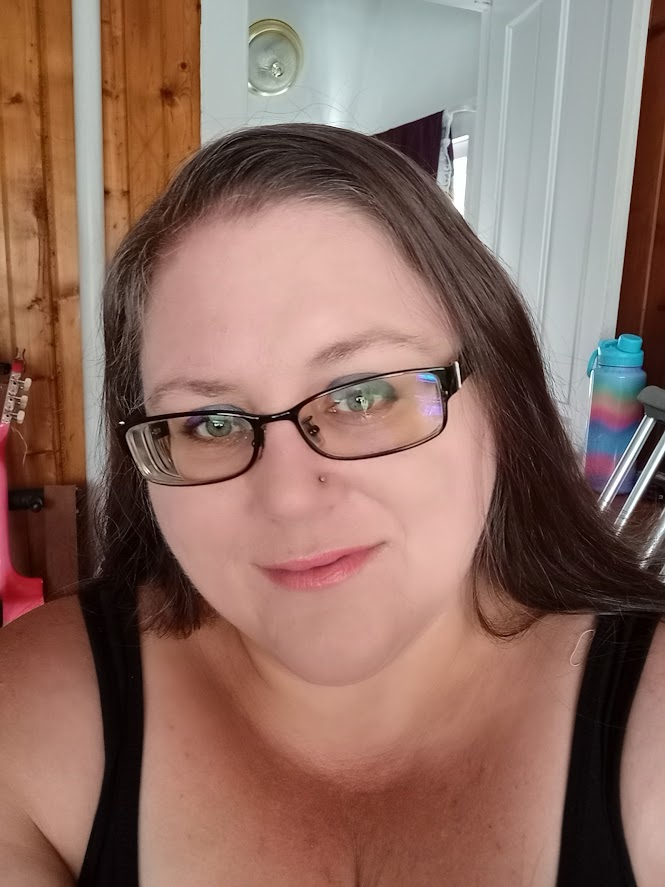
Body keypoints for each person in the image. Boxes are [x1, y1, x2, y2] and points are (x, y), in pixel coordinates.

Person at [1, 123, 664, 887]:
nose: (287, 496)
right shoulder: (37, 712)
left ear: (502, 402)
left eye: (363, 394)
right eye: (209, 422)